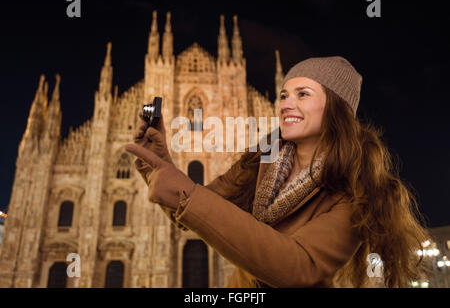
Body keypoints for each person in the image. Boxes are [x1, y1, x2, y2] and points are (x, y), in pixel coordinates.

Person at [126, 56, 432, 288]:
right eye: (284, 95)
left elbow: (298, 266)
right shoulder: (260, 162)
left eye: (303, 94)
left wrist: (185, 192)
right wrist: (158, 164)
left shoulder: (354, 188)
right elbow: (196, 214)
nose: (286, 104)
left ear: (336, 108)